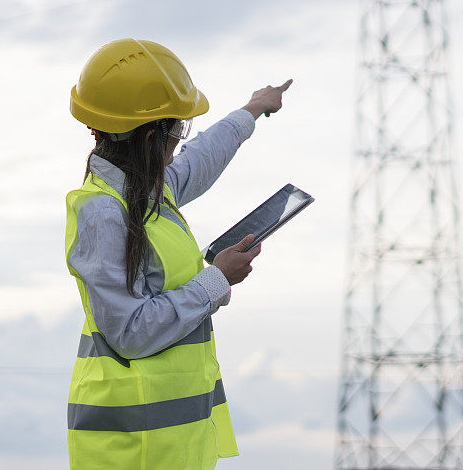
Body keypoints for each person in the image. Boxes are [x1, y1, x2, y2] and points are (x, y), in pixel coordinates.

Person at [64, 38, 292, 469]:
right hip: (130, 451)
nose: (179, 140)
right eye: (177, 128)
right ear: (151, 135)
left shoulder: (145, 190)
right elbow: (129, 332)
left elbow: (200, 159)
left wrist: (253, 109)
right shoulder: (102, 212)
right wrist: (217, 278)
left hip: (172, 447)